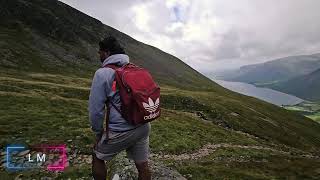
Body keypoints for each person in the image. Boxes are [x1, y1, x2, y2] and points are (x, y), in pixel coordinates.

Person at [89, 36, 151, 180]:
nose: (99, 55)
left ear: (107, 52)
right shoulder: (135, 69)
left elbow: (96, 110)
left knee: (97, 156)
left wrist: (98, 133)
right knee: (143, 165)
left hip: (121, 131)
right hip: (143, 126)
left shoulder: (102, 73)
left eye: (100, 52)